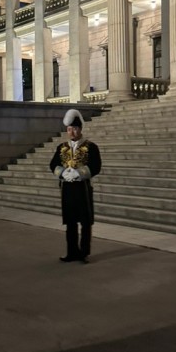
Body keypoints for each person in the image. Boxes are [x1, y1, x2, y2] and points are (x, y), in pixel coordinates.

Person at [50, 108, 102, 264]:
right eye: (69, 129)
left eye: (74, 129)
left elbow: (96, 165)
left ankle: (83, 253)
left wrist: (80, 173)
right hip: (67, 189)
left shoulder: (90, 147)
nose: (71, 132)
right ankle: (71, 252)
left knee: (85, 222)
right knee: (70, 222)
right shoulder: (62, 148)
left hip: (83, 188)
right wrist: (62, 173)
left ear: (80, 129)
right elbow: (53, 164)